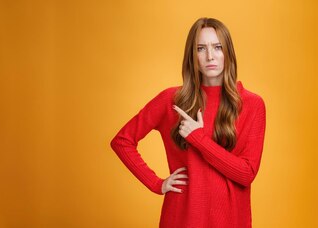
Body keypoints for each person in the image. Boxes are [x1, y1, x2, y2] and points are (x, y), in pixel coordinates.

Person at [110, 17, 266, 227]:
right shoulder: (171, 100)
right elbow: (122, 141)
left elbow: (246, 174)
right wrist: (157, 184)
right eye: (201, 48)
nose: (210, 56)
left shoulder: (252, 104)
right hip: (182, 217)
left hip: (230, 219)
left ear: (228, 52)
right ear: (192, 56)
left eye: (217, 47)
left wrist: (198, 138)